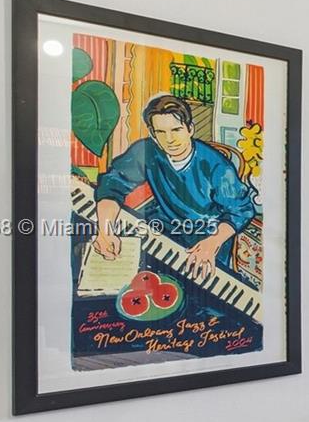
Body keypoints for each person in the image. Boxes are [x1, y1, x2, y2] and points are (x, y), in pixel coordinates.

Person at [91, 94, 256, 283]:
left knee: (198, 299)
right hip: (165, 227)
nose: (169, 139)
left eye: (176, 129)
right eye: (161, 132)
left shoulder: (217, 166)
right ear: (153, 134)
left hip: (207, 236)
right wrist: (105, 230)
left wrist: (213, 242)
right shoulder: (147, 151)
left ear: (190, 129)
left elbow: (240, 210)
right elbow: (113, 184)